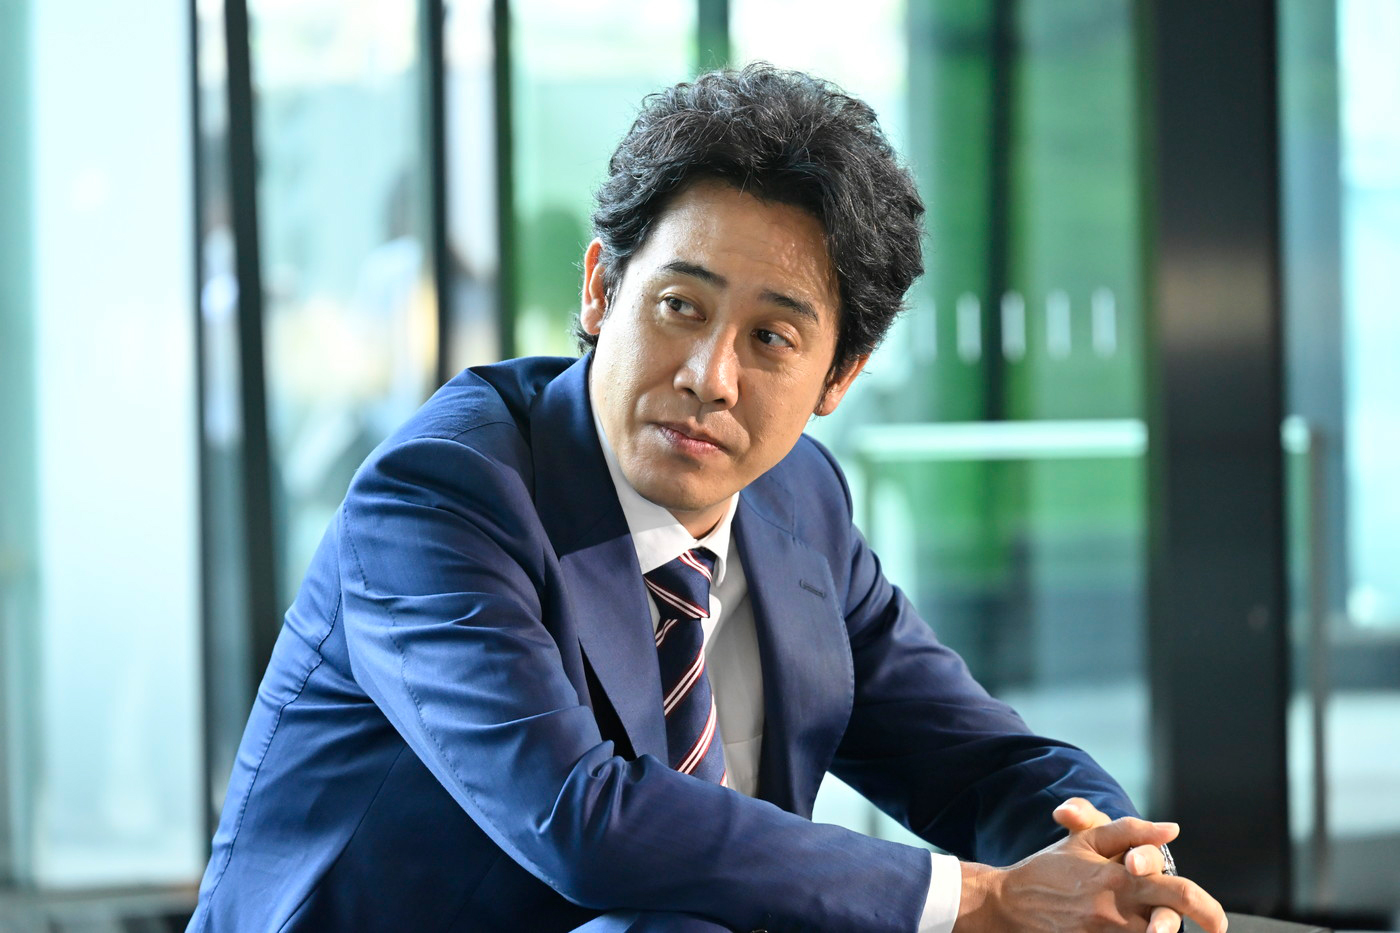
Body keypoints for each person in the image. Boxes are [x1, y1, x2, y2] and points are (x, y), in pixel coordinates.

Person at [187, 64, 1227, 933]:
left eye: (771, 337)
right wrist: (981, 899)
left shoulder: (799, 500)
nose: (709, 376)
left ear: (838, 379)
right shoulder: (443, 495)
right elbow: (581, 821)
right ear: (600, 290)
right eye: (679, 306)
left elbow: (972, 761)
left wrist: (1105, 863)